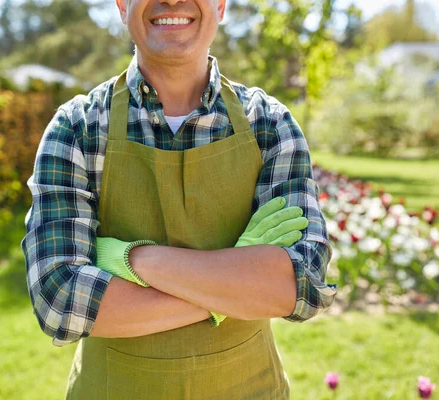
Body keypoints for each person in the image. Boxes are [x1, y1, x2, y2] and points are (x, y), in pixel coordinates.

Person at [21, 0, 337, 398]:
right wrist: (237, 283)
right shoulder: (78, 129)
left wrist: (133, 260)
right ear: (122, 5)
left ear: (220, 5)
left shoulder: (269, 124)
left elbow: (303, 283)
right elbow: (60, 300)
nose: (172, 1)